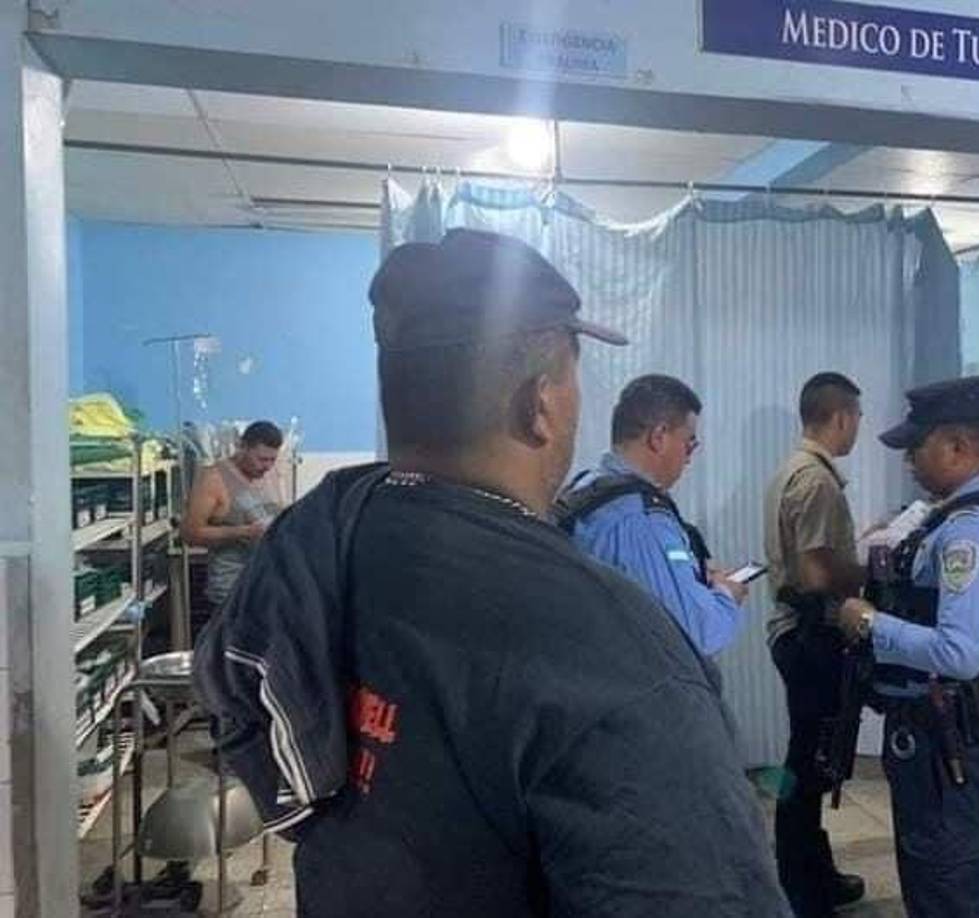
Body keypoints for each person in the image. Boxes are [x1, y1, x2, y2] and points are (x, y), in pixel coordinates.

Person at [194, 228, 791, 918]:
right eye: (573, 379)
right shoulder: (619, 656)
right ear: (539, 404)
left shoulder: (323, 536)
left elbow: (240, 698)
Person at [836, 376, 979, 918]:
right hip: (936, 730)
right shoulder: (949, 518)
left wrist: (871, 623)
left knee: (945, 883)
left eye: (917, 449)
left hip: (945, 737)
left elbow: (962, 652)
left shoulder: (974, 533)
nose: (910, 461)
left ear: (958, 447)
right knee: (933, 872)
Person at [763, 372, 867, 917]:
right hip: (811, 634)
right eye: (857, 419)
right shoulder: (817, 480)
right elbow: (816, 573)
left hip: (793, 633)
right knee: (808, 763)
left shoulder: (791, 470)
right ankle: (802, 883)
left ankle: (807, 871)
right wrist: (873, 562)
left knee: (807, 760)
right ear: (842, 417)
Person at [555, 374, 749, 656]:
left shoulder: (584, 488)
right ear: (658, 437)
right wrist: (727, 594)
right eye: (689, 443)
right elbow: (701, 634)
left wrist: (690, 576)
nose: (689, 457)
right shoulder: (640, 521)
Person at [181, 420, 284, 607]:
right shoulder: (213, 479)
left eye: (272, 460)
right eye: (262, 459)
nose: (267, 466)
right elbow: (190, 533)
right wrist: (244, 532)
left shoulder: (269, 474)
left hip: (267, 586)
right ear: (242, 447)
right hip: (232, 590)